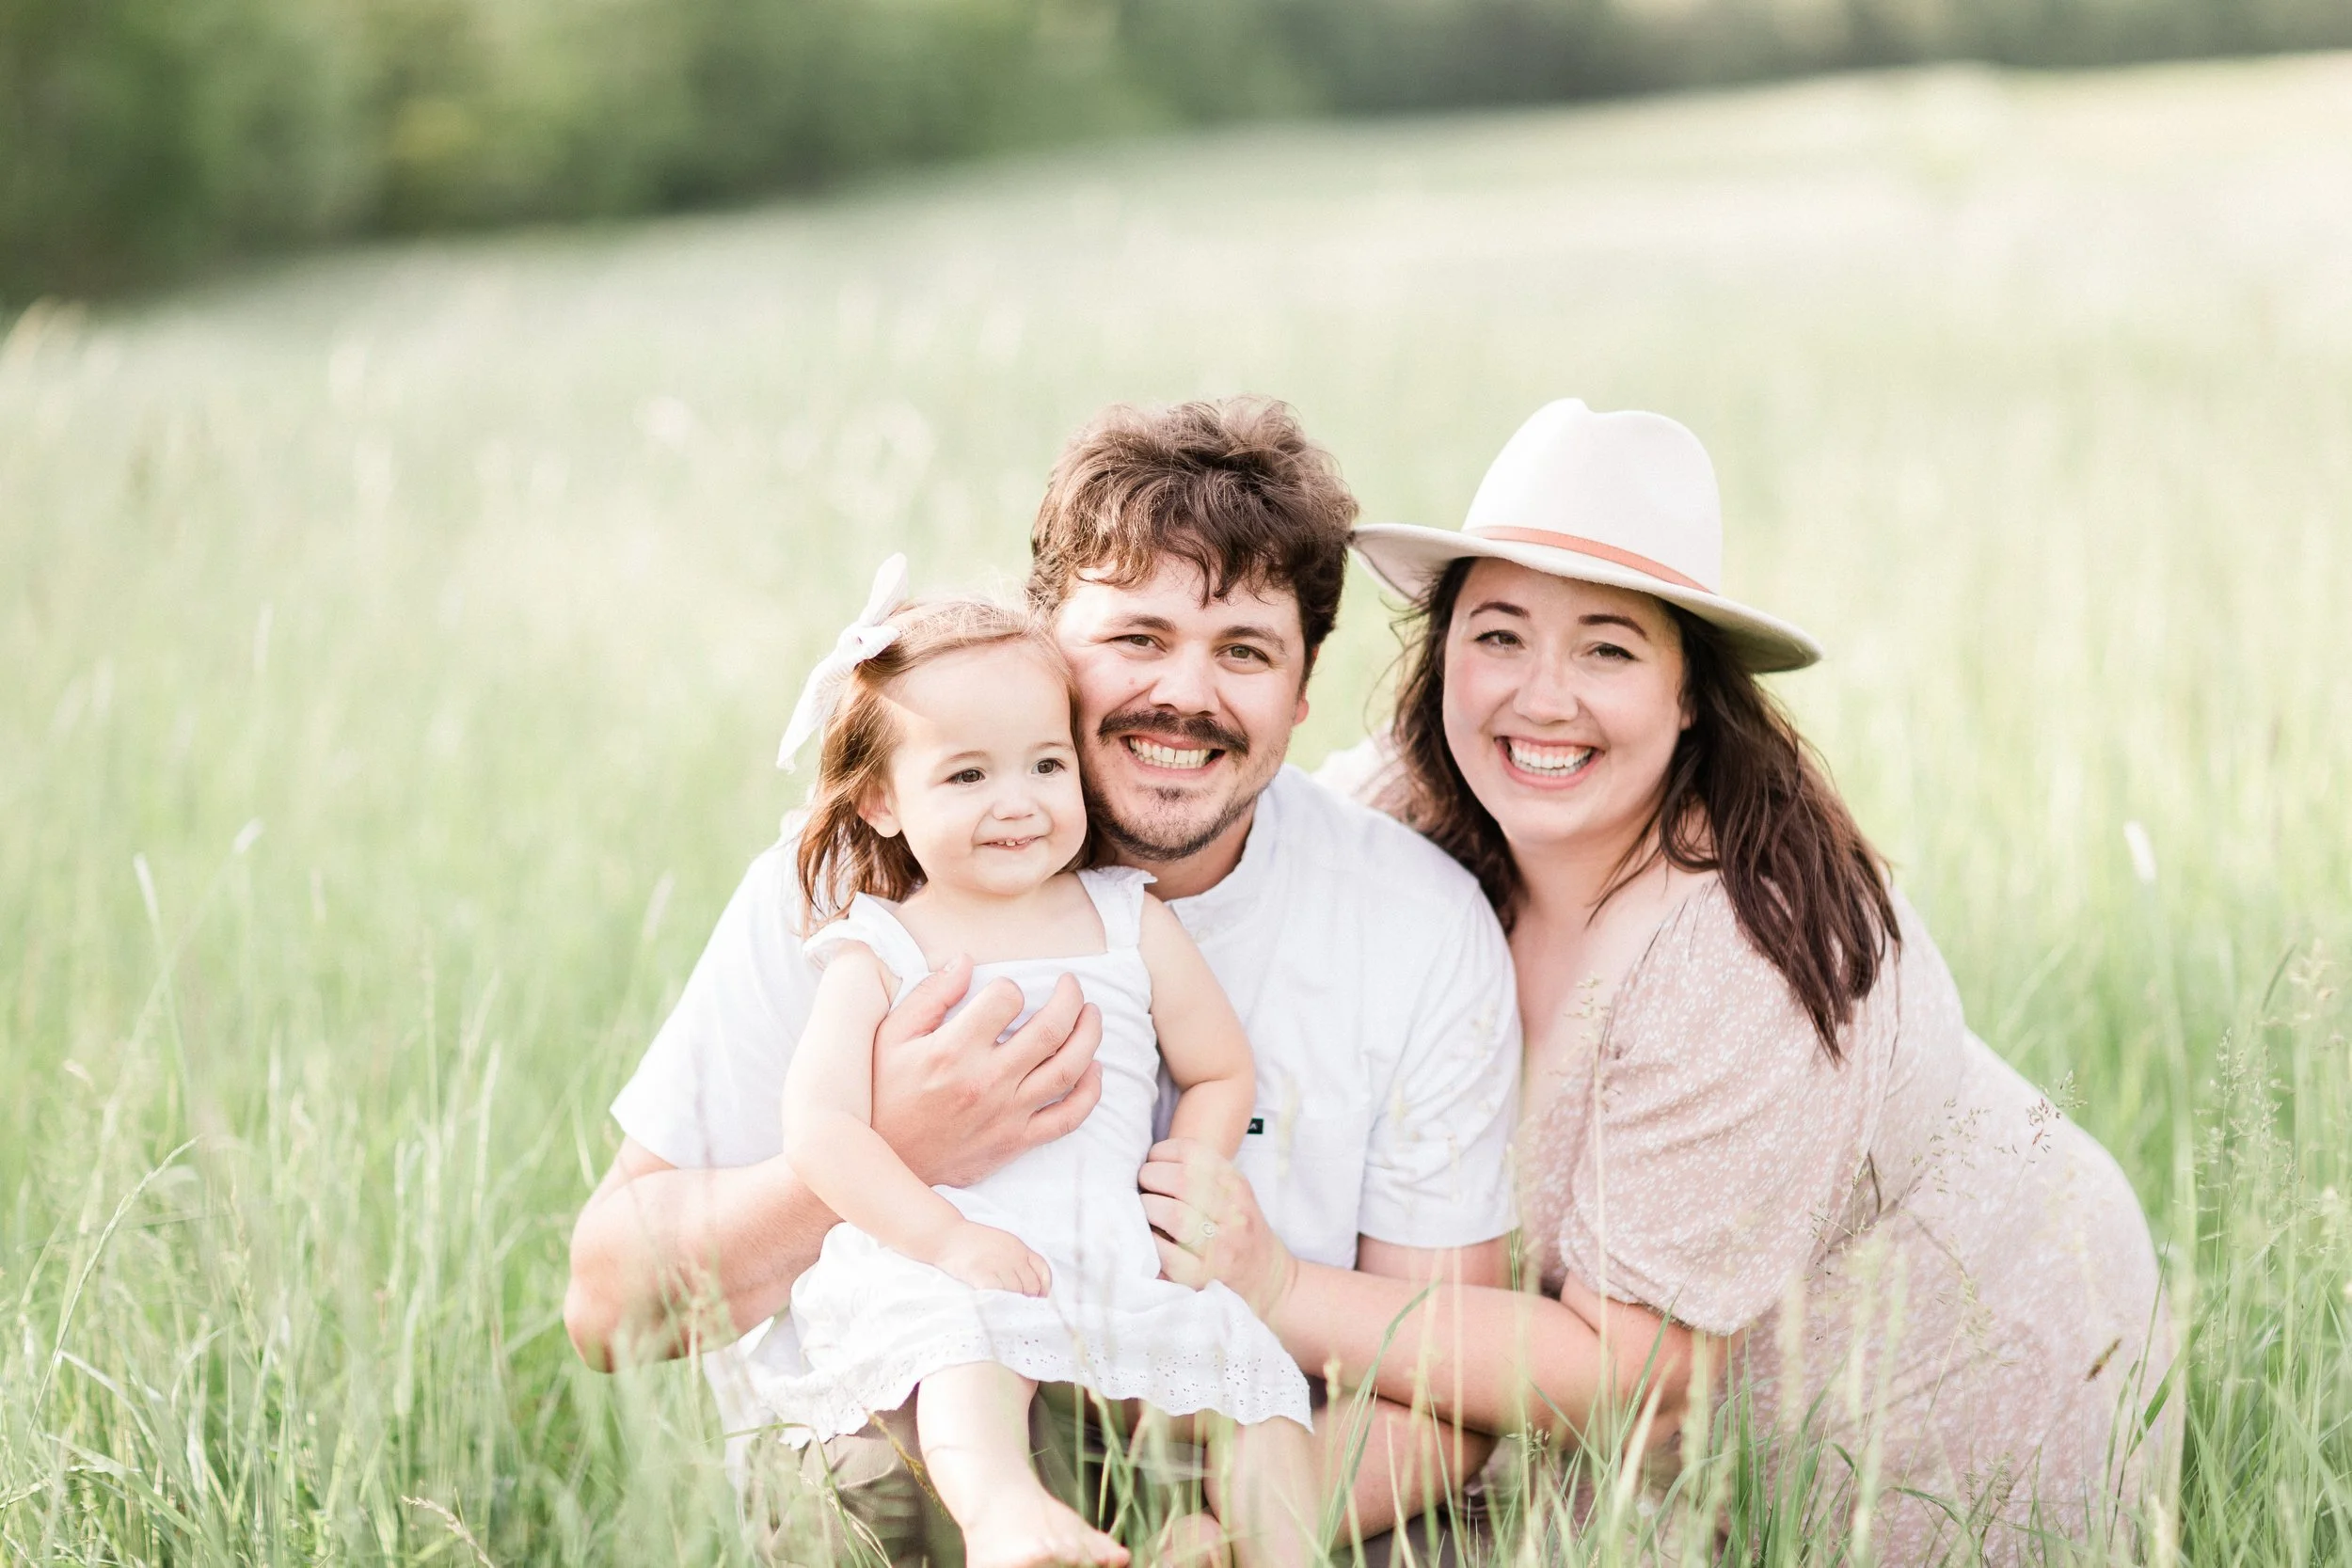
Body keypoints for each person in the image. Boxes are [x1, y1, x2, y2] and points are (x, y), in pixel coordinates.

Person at [1155, 400, 2174, 1563]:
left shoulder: (1739, 953)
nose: (1541, 695)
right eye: (1497, 634)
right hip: (1560, 1409)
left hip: (1911, 1440)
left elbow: (1627, 1377)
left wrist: (1273, 1283)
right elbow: (1249, 865)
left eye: (1606, 646)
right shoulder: (1419, 802)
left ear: (1690, 691)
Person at [564, 398, 1521, 1561]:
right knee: (910, 1475)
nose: (1186, 694)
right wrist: (890, 1154)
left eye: (1245, 650)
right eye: (1136, 637)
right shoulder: (844, 891)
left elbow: (1450, 1382)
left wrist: (1222, 1535)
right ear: (1046, 640)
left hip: (1215, 1454)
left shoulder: (1414, 922)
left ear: (1304, 687)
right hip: (917, 1453)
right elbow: (608, 1307)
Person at [769, 581, 1314, 1568]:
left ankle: (1259, 1546)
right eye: (968, 774)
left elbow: (1220, 1065)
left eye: (1046, 763)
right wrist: (949, 1235)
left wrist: (1186, 1179)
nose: (1017, 801)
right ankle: (1003, 1513)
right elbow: (819, 1127)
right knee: (966, 1351)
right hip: (953, 1261)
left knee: (1257, 1379)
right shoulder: (881, 944)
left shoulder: (1122, 914)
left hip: (1109, 1257)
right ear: (883, 800)